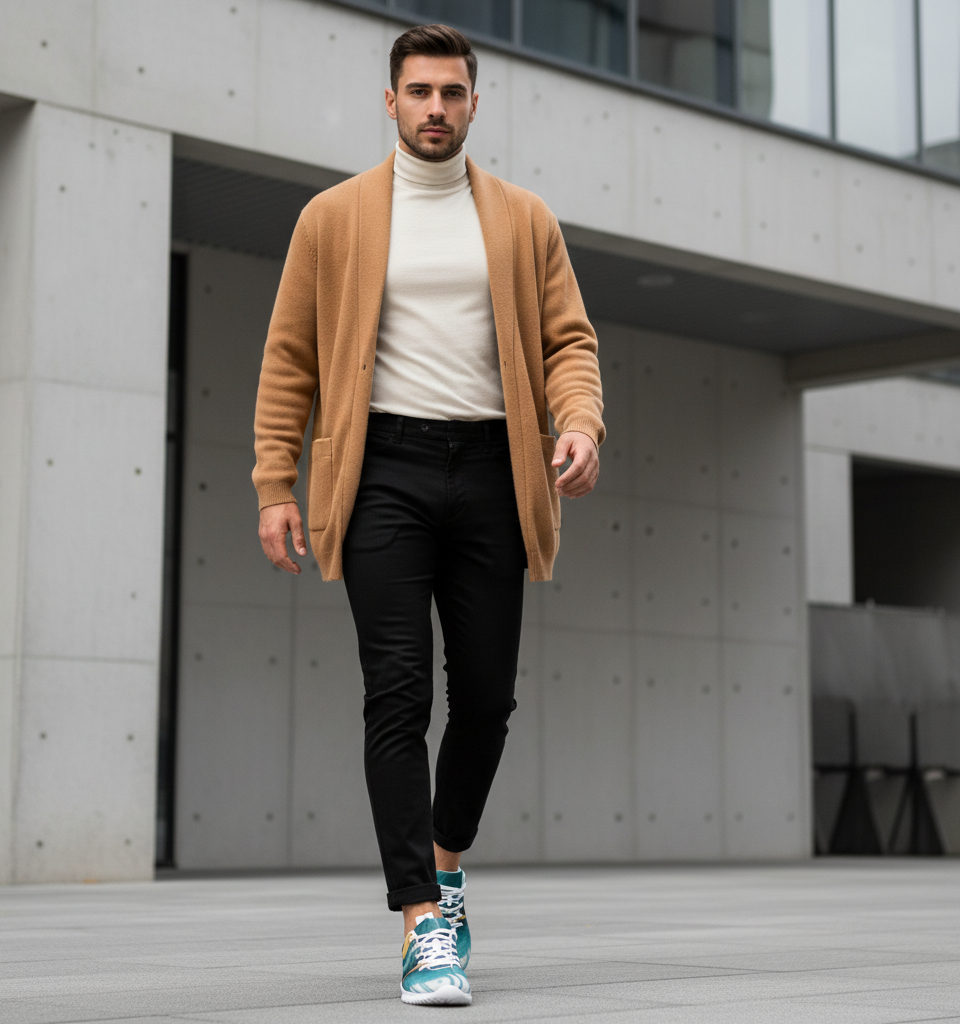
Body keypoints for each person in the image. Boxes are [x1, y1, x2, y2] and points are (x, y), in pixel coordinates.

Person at [253, 23, 604, 1007]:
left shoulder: (523, 219)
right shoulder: (334, 219)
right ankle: (419, 923)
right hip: (384, 475)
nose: (435, 109)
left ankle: (445, 864)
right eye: (419, 93)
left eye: (452, 93)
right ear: (391, 101)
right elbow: (290, 361)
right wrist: (274, 483)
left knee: (485, 699)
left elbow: (568, 341)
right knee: (397, 692)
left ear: (474, 105)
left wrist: (579, 422)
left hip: (495, 470)